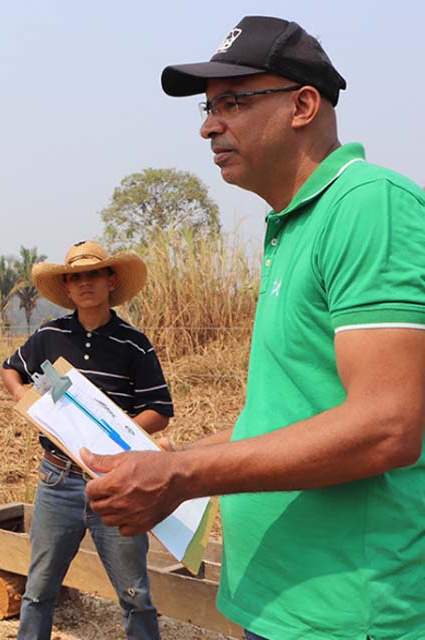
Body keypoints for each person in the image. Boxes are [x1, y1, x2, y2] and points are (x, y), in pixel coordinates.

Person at [82, 16, 425, 640]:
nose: (210, 124)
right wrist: (176, 459)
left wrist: (184, 477)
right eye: (208, 107)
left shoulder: (368, 206)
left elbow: (389, 426)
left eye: (233, 102)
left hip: (347, 614)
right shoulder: (291, 226)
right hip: (274, 603)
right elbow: (289, 417)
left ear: (302, 105)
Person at [1, 240, 173, 640]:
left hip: (115, 482)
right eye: (74, 277)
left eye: (92, 274)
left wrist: (117, 430)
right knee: (39, 589)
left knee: (135, 594)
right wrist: (27, 400)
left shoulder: (134, 343)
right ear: (67, 287)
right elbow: (12, 370)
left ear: (111, 280)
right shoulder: (49, 336)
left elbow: (159, 410)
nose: (83, 283)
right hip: (57, 481)